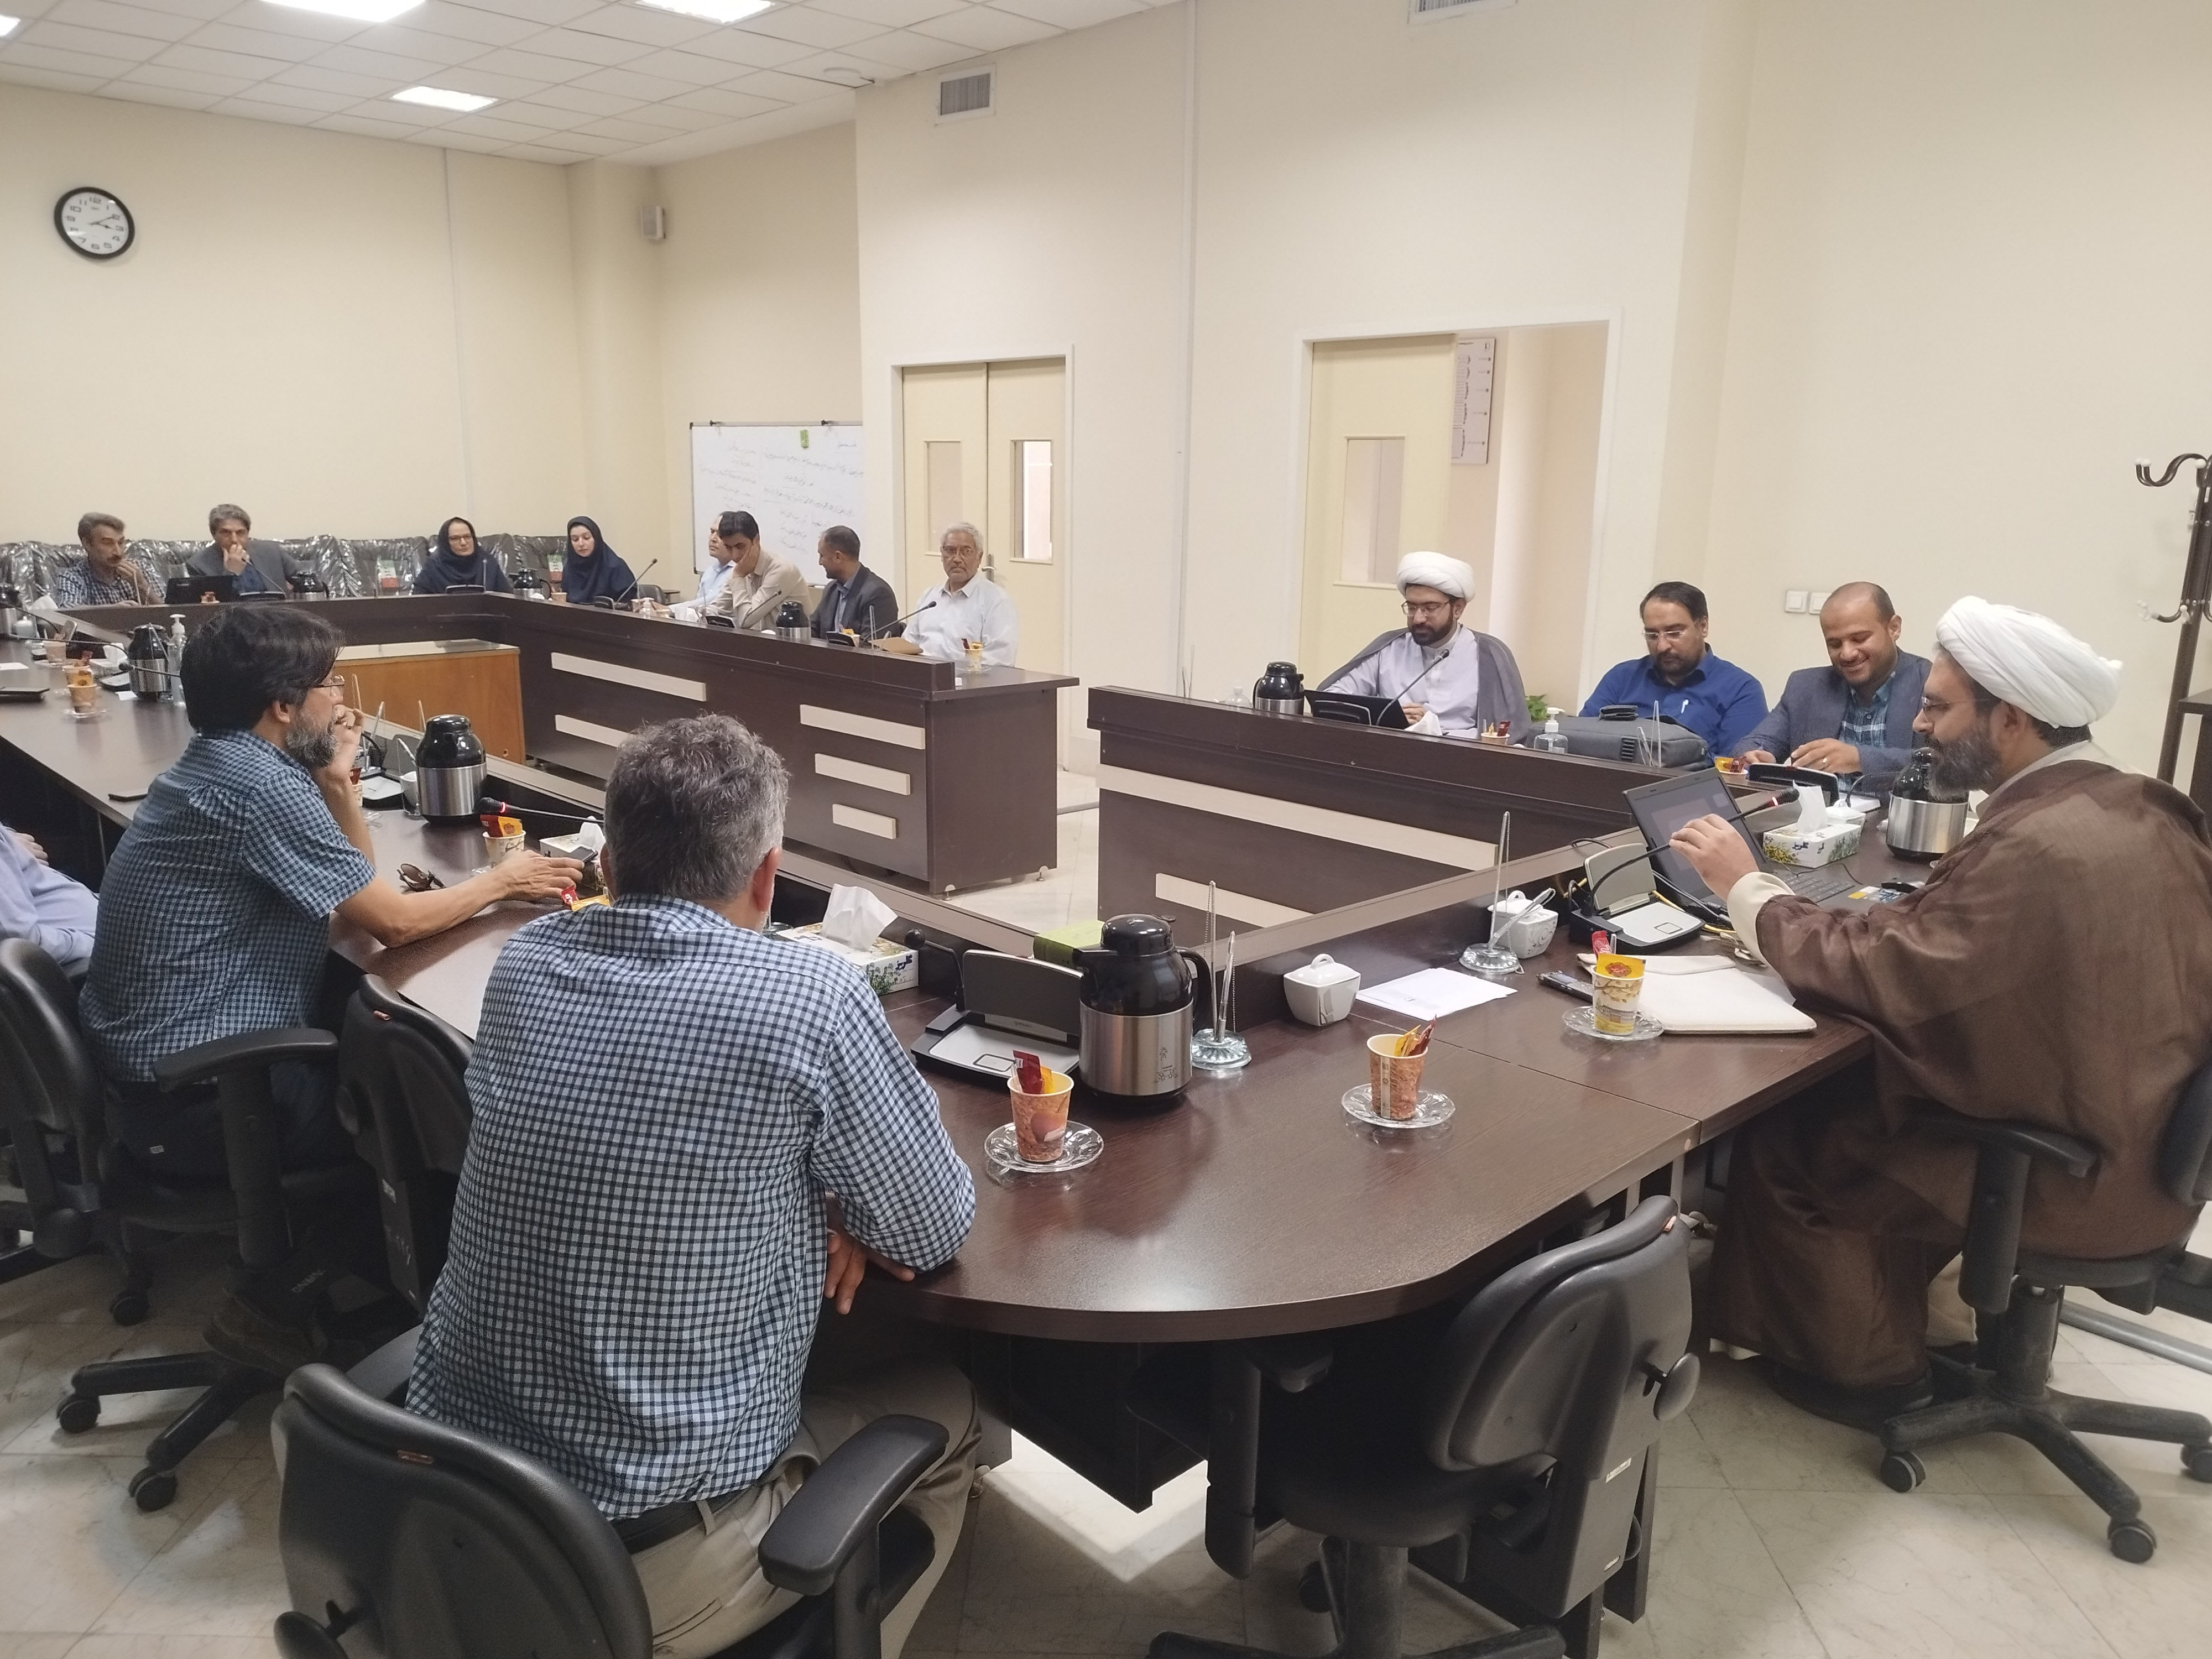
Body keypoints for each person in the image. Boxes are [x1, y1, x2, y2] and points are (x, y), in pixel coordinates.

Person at [409, 714, 977, 1659]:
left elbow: (633, 1138)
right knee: (949, 1406)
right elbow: (928, 1229)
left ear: (609, 862)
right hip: (628, 1571)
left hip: (454, 1512)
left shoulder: (526, 965)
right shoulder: (810, 999)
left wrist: (797, 1190)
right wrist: (835, 1203)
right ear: (767, 875)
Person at [1668, 596, 2212, 1427]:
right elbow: (1966, 949)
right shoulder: (2145, 806)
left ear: (2011, 719)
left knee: (1804, 1134)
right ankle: (1925, 1315)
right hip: (2152, 1153)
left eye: (1938, 707)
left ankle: (1869, 1373)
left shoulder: (2038, 844)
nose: (1920, 725)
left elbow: (1896, 973)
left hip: (2075, 1175)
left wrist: (1749, 890)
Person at [79, 604, 579, 1371]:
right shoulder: (260, 787)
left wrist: (341, 788)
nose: (339, 698)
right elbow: (395, 924)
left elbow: (359, 903)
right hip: (200, 1099)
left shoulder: (220, 764)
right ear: (283, 705)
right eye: (327, 683)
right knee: (436, 1115)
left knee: (382, 1043)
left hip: (154, 1075)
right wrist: (502, 881)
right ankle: (286, 1305)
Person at [1314, 551, 1531, 739]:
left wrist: (1434, 729)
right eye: (1412, 607)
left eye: (1430, 608)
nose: (1418, 618)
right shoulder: (1390, 649)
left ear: (1458, 609)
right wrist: (1390, 716)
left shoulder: (1488, 655)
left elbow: (1506, 734)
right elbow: (1333, 698)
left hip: (1460, 765)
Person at [1740, 582, 1931, 794]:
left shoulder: (1930, 684)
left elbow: (1945, 767)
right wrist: (1757, 755)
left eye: (1859, 639)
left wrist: (1859, 759)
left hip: (1899, 814)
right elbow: (1755, 742)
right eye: (1835, 644)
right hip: (1817, 814)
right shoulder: (1805, 687)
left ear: (1894, 628)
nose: (1847, 654)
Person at [1580, 581, 1767, 756]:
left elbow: (1736, 768)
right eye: (1652, 635)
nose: (1662, 646)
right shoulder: (1622, 678)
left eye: (1674, 633)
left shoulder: (1741, 690)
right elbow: (1581, 738)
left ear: (1703, 626)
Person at [877, 521, 1018, 666]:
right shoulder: (929, 598)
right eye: (950, 551)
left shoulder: (996, 601)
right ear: (942, 555)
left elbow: (1001, 660)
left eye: (966, 551)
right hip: (923, 675)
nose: (957, 559)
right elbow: (908, 645)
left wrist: (956, 673)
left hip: (967, 678)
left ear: (979, 557)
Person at [679, 510, 811, 628]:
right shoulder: (739, 571)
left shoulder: (781, 570)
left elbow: (746, 620)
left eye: (740, 546)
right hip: (759, 644)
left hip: (794, 646)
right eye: (729, 547)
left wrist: (738, 578)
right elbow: (718, 608)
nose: (735, 556)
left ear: (756, 540)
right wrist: (698, 615)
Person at [0, 825, 97, 975]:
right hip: (88, 959)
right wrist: (102, 942)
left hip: (96, 924)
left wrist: (9, 838)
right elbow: (22, 944)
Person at [187, 503, 309, 597]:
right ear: (214, 534)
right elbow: (212, 609)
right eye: (226, 533)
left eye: (240, 533)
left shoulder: (272, 551)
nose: (234, 540)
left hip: (278, 615)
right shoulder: (199, 565)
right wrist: (231, 573)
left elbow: (306, 581)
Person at [48, 512, 161, 608]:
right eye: (108, 543)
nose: (118, 552)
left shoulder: (139, 569)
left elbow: (168, 613)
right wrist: (112, 610)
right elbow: (68, 611)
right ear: (87, 544)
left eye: (121, 543)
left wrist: (142, 585)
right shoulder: (73, 578)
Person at [810, 525, 899, 641]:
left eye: (822, 555)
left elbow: (871, 646)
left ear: (838, 557)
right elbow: (812, 630)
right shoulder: (831, 590)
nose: (820, 562)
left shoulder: (878, 594)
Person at [413, 515, 512, 594]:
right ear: (445, 542)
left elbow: (508, 600)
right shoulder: (434, 566)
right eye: (455, 538)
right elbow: (417, 603)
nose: (463, 543)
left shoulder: (487, 563)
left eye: (467, 537)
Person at [561, 515, 638, 606]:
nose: (581, 544)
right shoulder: (569, 567)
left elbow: (629, 604)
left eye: (586, 538)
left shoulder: (615, 566)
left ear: (596, 538)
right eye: (575, 539)